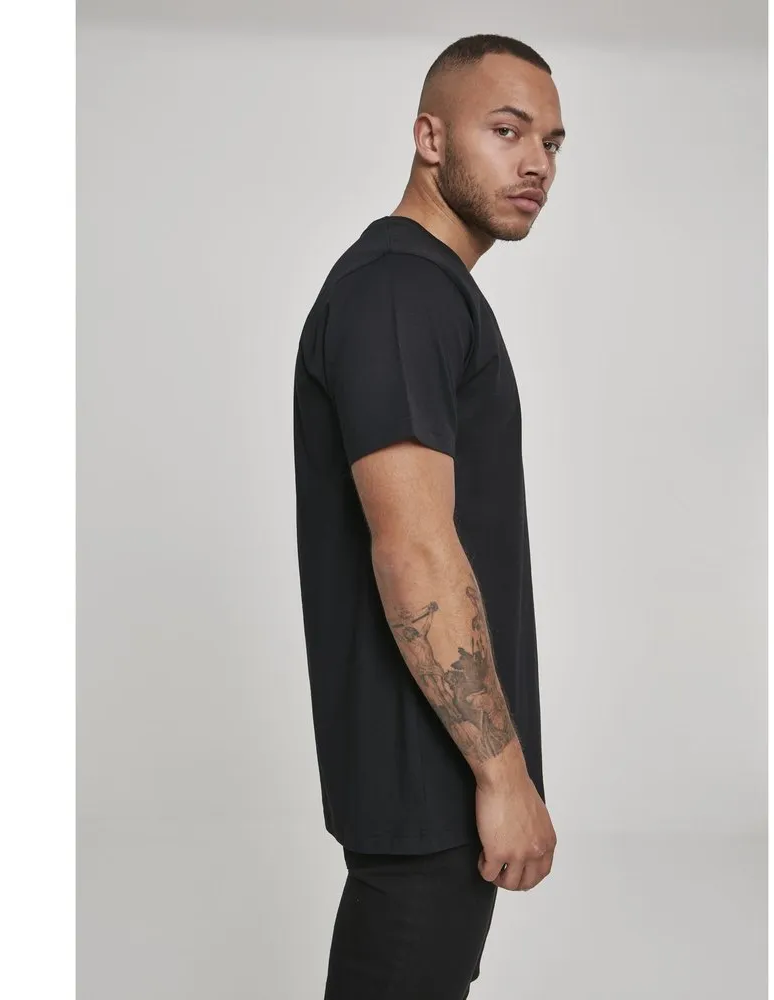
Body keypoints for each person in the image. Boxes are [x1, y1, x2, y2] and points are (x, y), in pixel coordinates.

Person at [292, 32, 564, 1000]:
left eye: (551, 142)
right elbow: (410, 544)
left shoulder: (423, 289)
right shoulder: (401, 290)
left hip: (430, 788)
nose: (536, 163)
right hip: (428, 787)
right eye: (506, 130)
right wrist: (502, 776)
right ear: (430, 138)